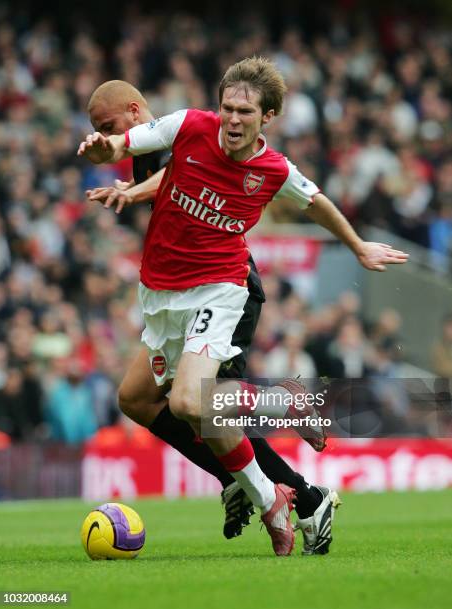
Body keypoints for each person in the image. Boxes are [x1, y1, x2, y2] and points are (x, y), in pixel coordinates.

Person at [78, 58, 409, 555]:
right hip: (163, 294)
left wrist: (359, 245)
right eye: (226, 108)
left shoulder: (273, 170)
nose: (232, 119)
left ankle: (284, 488)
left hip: (224, 288)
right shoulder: (187, 126)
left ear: (267, 117)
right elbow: (138, 154)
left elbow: (315, 201)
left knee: (198, 403)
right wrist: (109, 152)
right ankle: (263, 462)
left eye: (244, 112)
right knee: (139, 399)